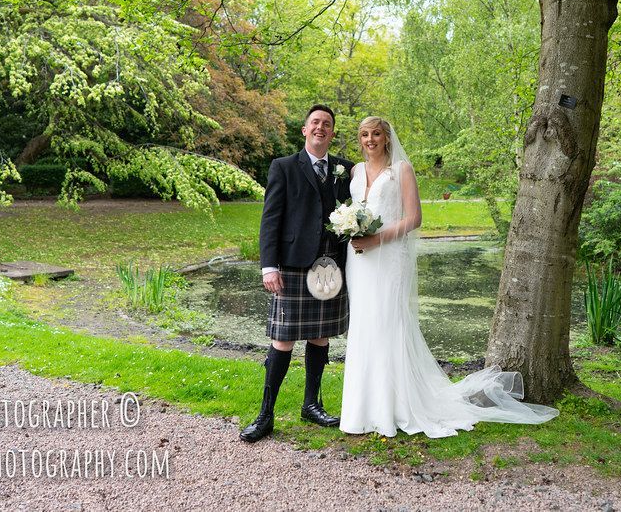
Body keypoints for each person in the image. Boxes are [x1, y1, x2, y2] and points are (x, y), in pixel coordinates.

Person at [340, 116, 559, 438]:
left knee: (387, 323)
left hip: (389, 257)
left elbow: (414, 219)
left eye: (376, 134)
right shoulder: (356, 172)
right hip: (359, 260)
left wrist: (377, 239)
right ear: (359, 139)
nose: (370, 139)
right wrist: (351, 228)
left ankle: (394, 408)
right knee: (364, 324)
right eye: (364, 134)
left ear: (386, 137)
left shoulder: (401, 170)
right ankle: (361, 408)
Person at [240, 104, 355, 443]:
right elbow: (270, 219)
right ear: (305, 130)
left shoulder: (346, 170)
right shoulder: (284, 166)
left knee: (321, 336)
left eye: (327, 124)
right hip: (292, 266)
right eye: (315, 122)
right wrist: (269, 266)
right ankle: (265, 414)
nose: (321, 127)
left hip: (331, 267)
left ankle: (311, 405)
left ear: (332, 132)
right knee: (283, 339)